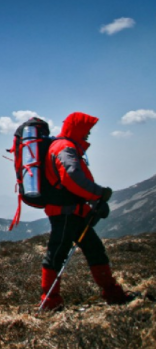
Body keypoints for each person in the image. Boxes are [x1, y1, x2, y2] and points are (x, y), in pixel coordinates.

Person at [40, 112, 135, 310]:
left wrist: (93, 199)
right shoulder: (65, 147)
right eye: (86, 132)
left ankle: (113, 294)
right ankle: (49, 301)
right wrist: (98, 194)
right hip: (66, 213)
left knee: (94, 250)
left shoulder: (63, 146)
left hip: (71, 212)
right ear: (77, 129)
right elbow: (71, 177)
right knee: (57, 254)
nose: (88, 136)